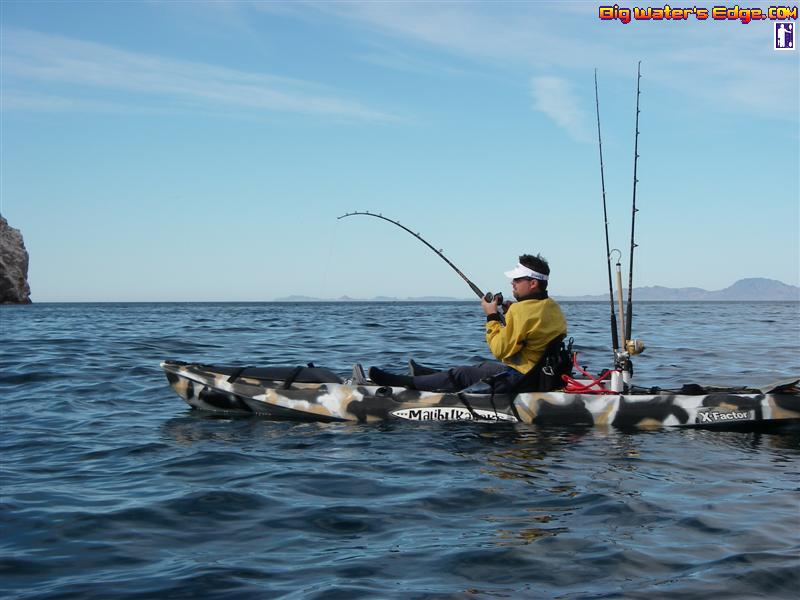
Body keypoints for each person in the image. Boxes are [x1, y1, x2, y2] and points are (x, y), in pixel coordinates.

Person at [368, 253, 568, 392]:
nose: (512, 283)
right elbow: (533, 332)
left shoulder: (521, 310)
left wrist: (491, 317)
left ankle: (405, 382)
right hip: (539, 373)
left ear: (533, 283)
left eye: (517, 280)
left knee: (464, 374)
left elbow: (500, 350)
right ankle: (427, 376)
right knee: (481, 367)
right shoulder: (551, 306)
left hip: (523, 380)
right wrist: (507, 316)